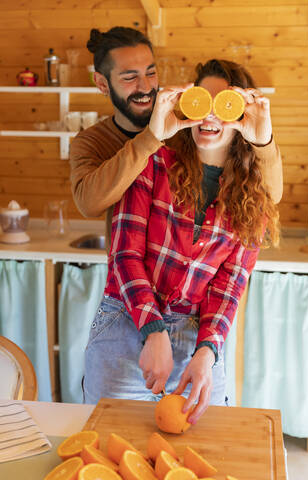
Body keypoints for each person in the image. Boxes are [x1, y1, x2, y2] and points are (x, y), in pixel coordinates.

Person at [83, 58, 280, 425]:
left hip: (197, 339)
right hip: (126, 323)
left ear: (242, 116)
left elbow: (230, 285)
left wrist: (207, 351)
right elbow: (124, 255)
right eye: (202, 99)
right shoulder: (153, 162)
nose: (211, 115)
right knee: (111, 447)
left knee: (197, 452)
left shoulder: (254, 193)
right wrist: (153, 329)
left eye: (225, 104)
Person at [69, 27, 283, 253]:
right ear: (102, 84)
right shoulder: (91, 142)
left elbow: (268, 193)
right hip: (131, 277)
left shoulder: (185, 128)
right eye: (130, 77)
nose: (145, 87)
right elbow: (89, 204)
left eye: (151, 73)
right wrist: (151, 138)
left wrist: (263, 143)